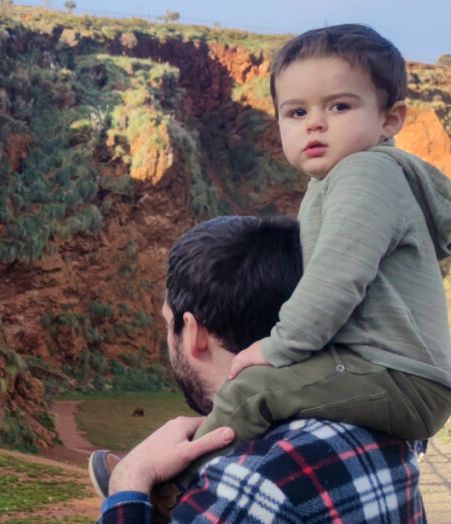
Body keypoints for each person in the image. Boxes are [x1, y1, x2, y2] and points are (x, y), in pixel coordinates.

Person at [92, 24, 451, 495]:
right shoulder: (342, 182)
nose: (315, 124)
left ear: (390, 119)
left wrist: (278, 347)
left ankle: (179, 490)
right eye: (297, 111)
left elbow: (335, 282)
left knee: (253, 389)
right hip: (390, 372)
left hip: (399, 378)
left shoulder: (365, 175)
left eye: (339, 106)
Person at [75, 215, 427, 524]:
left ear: (195, 333)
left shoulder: (266, 480)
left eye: (168, 325)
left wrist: (128, 484)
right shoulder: (384, 437)